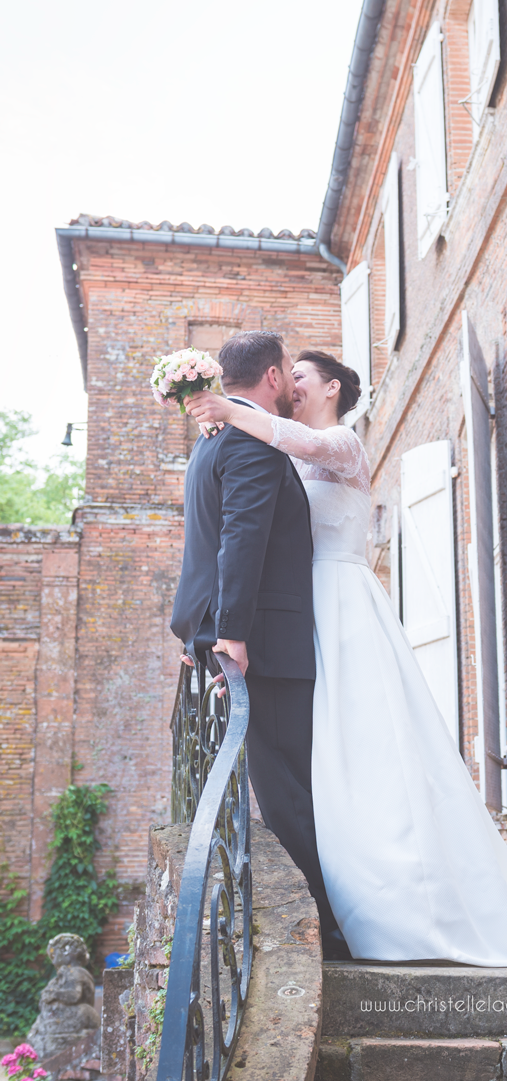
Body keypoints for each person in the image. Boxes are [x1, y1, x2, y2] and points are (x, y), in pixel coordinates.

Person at [185, 348, 507, 965]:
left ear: (333, 388)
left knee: (371, 747)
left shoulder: (341, 442)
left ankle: (404, 901)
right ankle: (344, 896)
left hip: (342, 605)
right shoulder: (276, 453)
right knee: (328, 764)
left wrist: (221, 407)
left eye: (301, 377)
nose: (291, 385)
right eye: (286, 377)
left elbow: (281, 435)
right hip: (302, 615)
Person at [170, 330, 348, 960]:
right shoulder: (249, 442)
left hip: (257, 639)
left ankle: (316, 921)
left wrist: (197, 626)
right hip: (266, 644)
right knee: (289, 791)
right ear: (273, 376)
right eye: (289, 374)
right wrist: (230, 635)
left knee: (283, 787)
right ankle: (324, 930)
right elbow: (236, 539)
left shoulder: (213, 443)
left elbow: (204, 541)